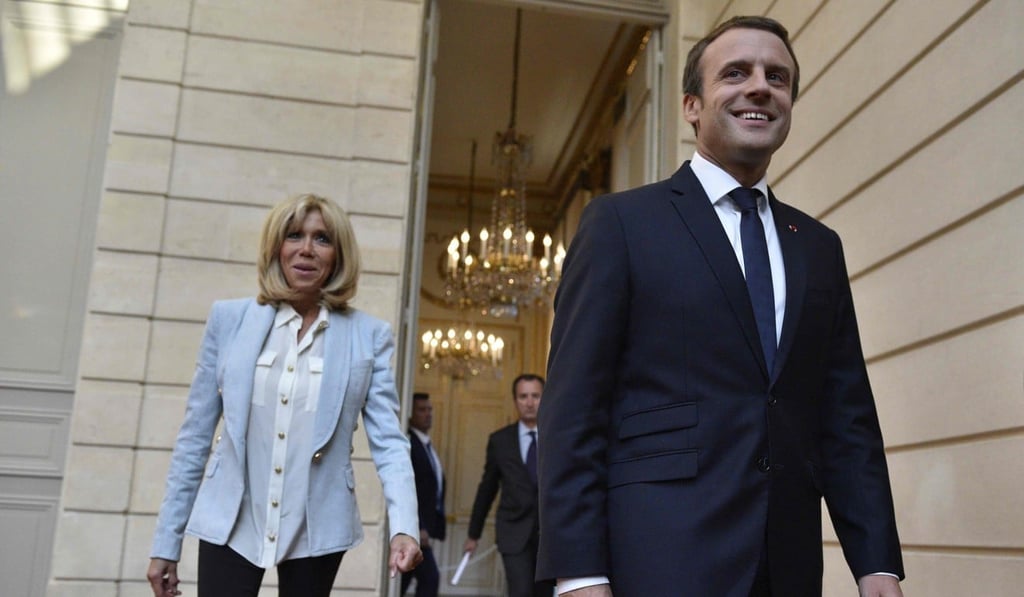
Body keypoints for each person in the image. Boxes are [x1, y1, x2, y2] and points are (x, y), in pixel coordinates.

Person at [536, 16, 904, 597]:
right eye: (736, 73)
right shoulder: (621, 225)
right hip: (657, 559)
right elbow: (574, 409)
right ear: (691, 105)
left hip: (787, 565)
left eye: (777, 78)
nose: (760, 87)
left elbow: (847, 417)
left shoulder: (818, 247)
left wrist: (876, 563)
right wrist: (579, 572)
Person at [146, 194, 422, 597]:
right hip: (233, 520)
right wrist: (165, 543)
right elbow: (193, 438)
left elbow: (390, 444)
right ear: (277, 246)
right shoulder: (229, 320)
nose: (306, 249)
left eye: (322, 239)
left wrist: (404, 528)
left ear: (338, 255)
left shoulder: (368, 336)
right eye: (294, 236)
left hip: (317, 522)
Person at [464, 374, 556, 597]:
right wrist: (473, 534)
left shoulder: (556, 437)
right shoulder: (500, 441)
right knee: (521, 591)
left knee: (544, 593)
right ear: (515, 400)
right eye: (523, 396)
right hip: (514, 534)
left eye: (535, 396)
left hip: (550, 535)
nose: (529, 402)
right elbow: (487, 489)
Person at [402, 392, 445, 597]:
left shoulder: (426, 445)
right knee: (429, 579)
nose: (428, 414)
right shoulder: (409, 444)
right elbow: (408, 487)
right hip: (413, 530)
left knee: (406, 580)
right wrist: (418, 526)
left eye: (430, 409)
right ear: (410, 415)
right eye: (422, 410)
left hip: (424, 528)